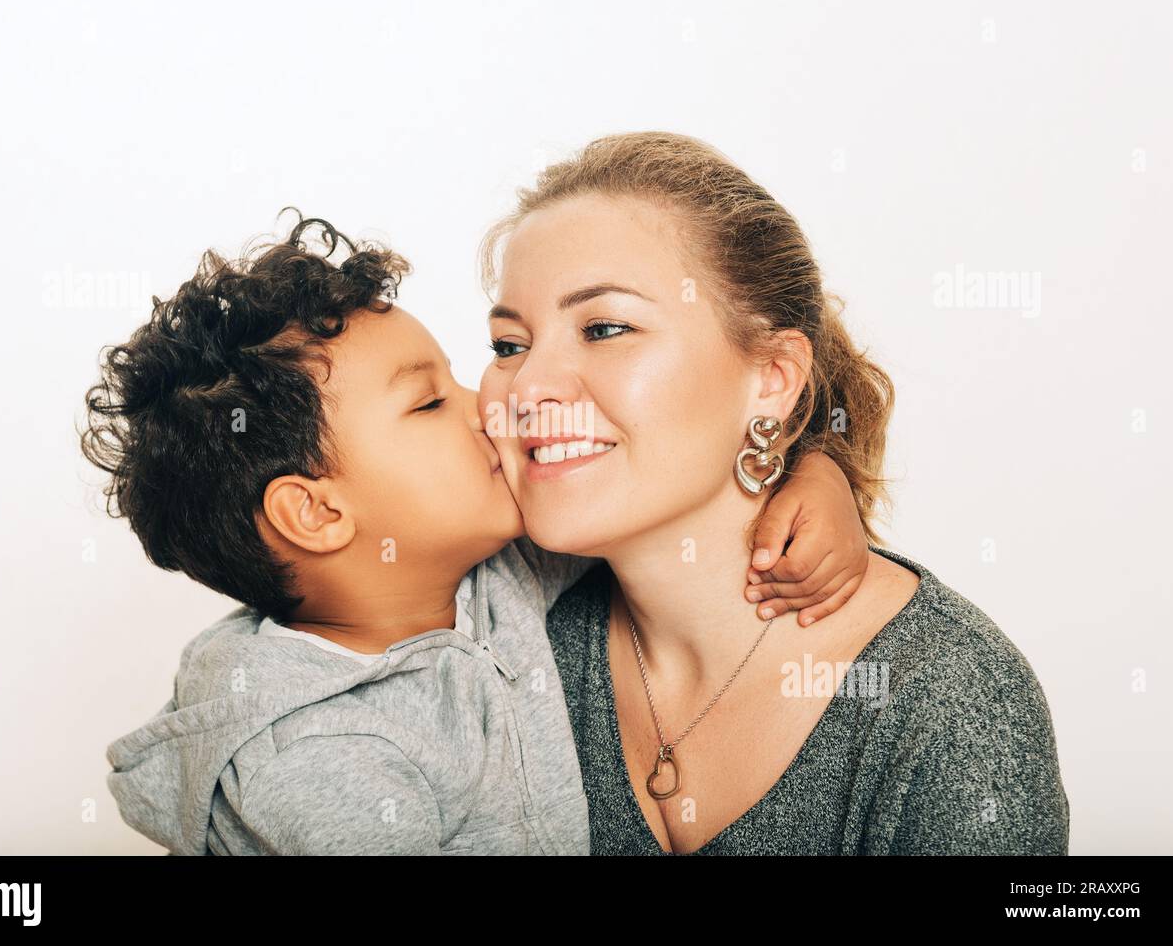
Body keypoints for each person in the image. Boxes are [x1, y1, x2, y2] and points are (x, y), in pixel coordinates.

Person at [84, 212, 869, 854]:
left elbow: (646, 492)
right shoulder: (322, 755)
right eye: (429, 404)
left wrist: (812, 473)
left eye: (469, 372)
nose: (493, 403)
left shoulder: (497, 573)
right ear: (318, 513)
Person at [477, 131, 1070, 854]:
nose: (529, 387)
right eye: (509, 346)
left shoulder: (946, 704)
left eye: (604, 328)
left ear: (773, 378)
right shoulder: (505, 638)